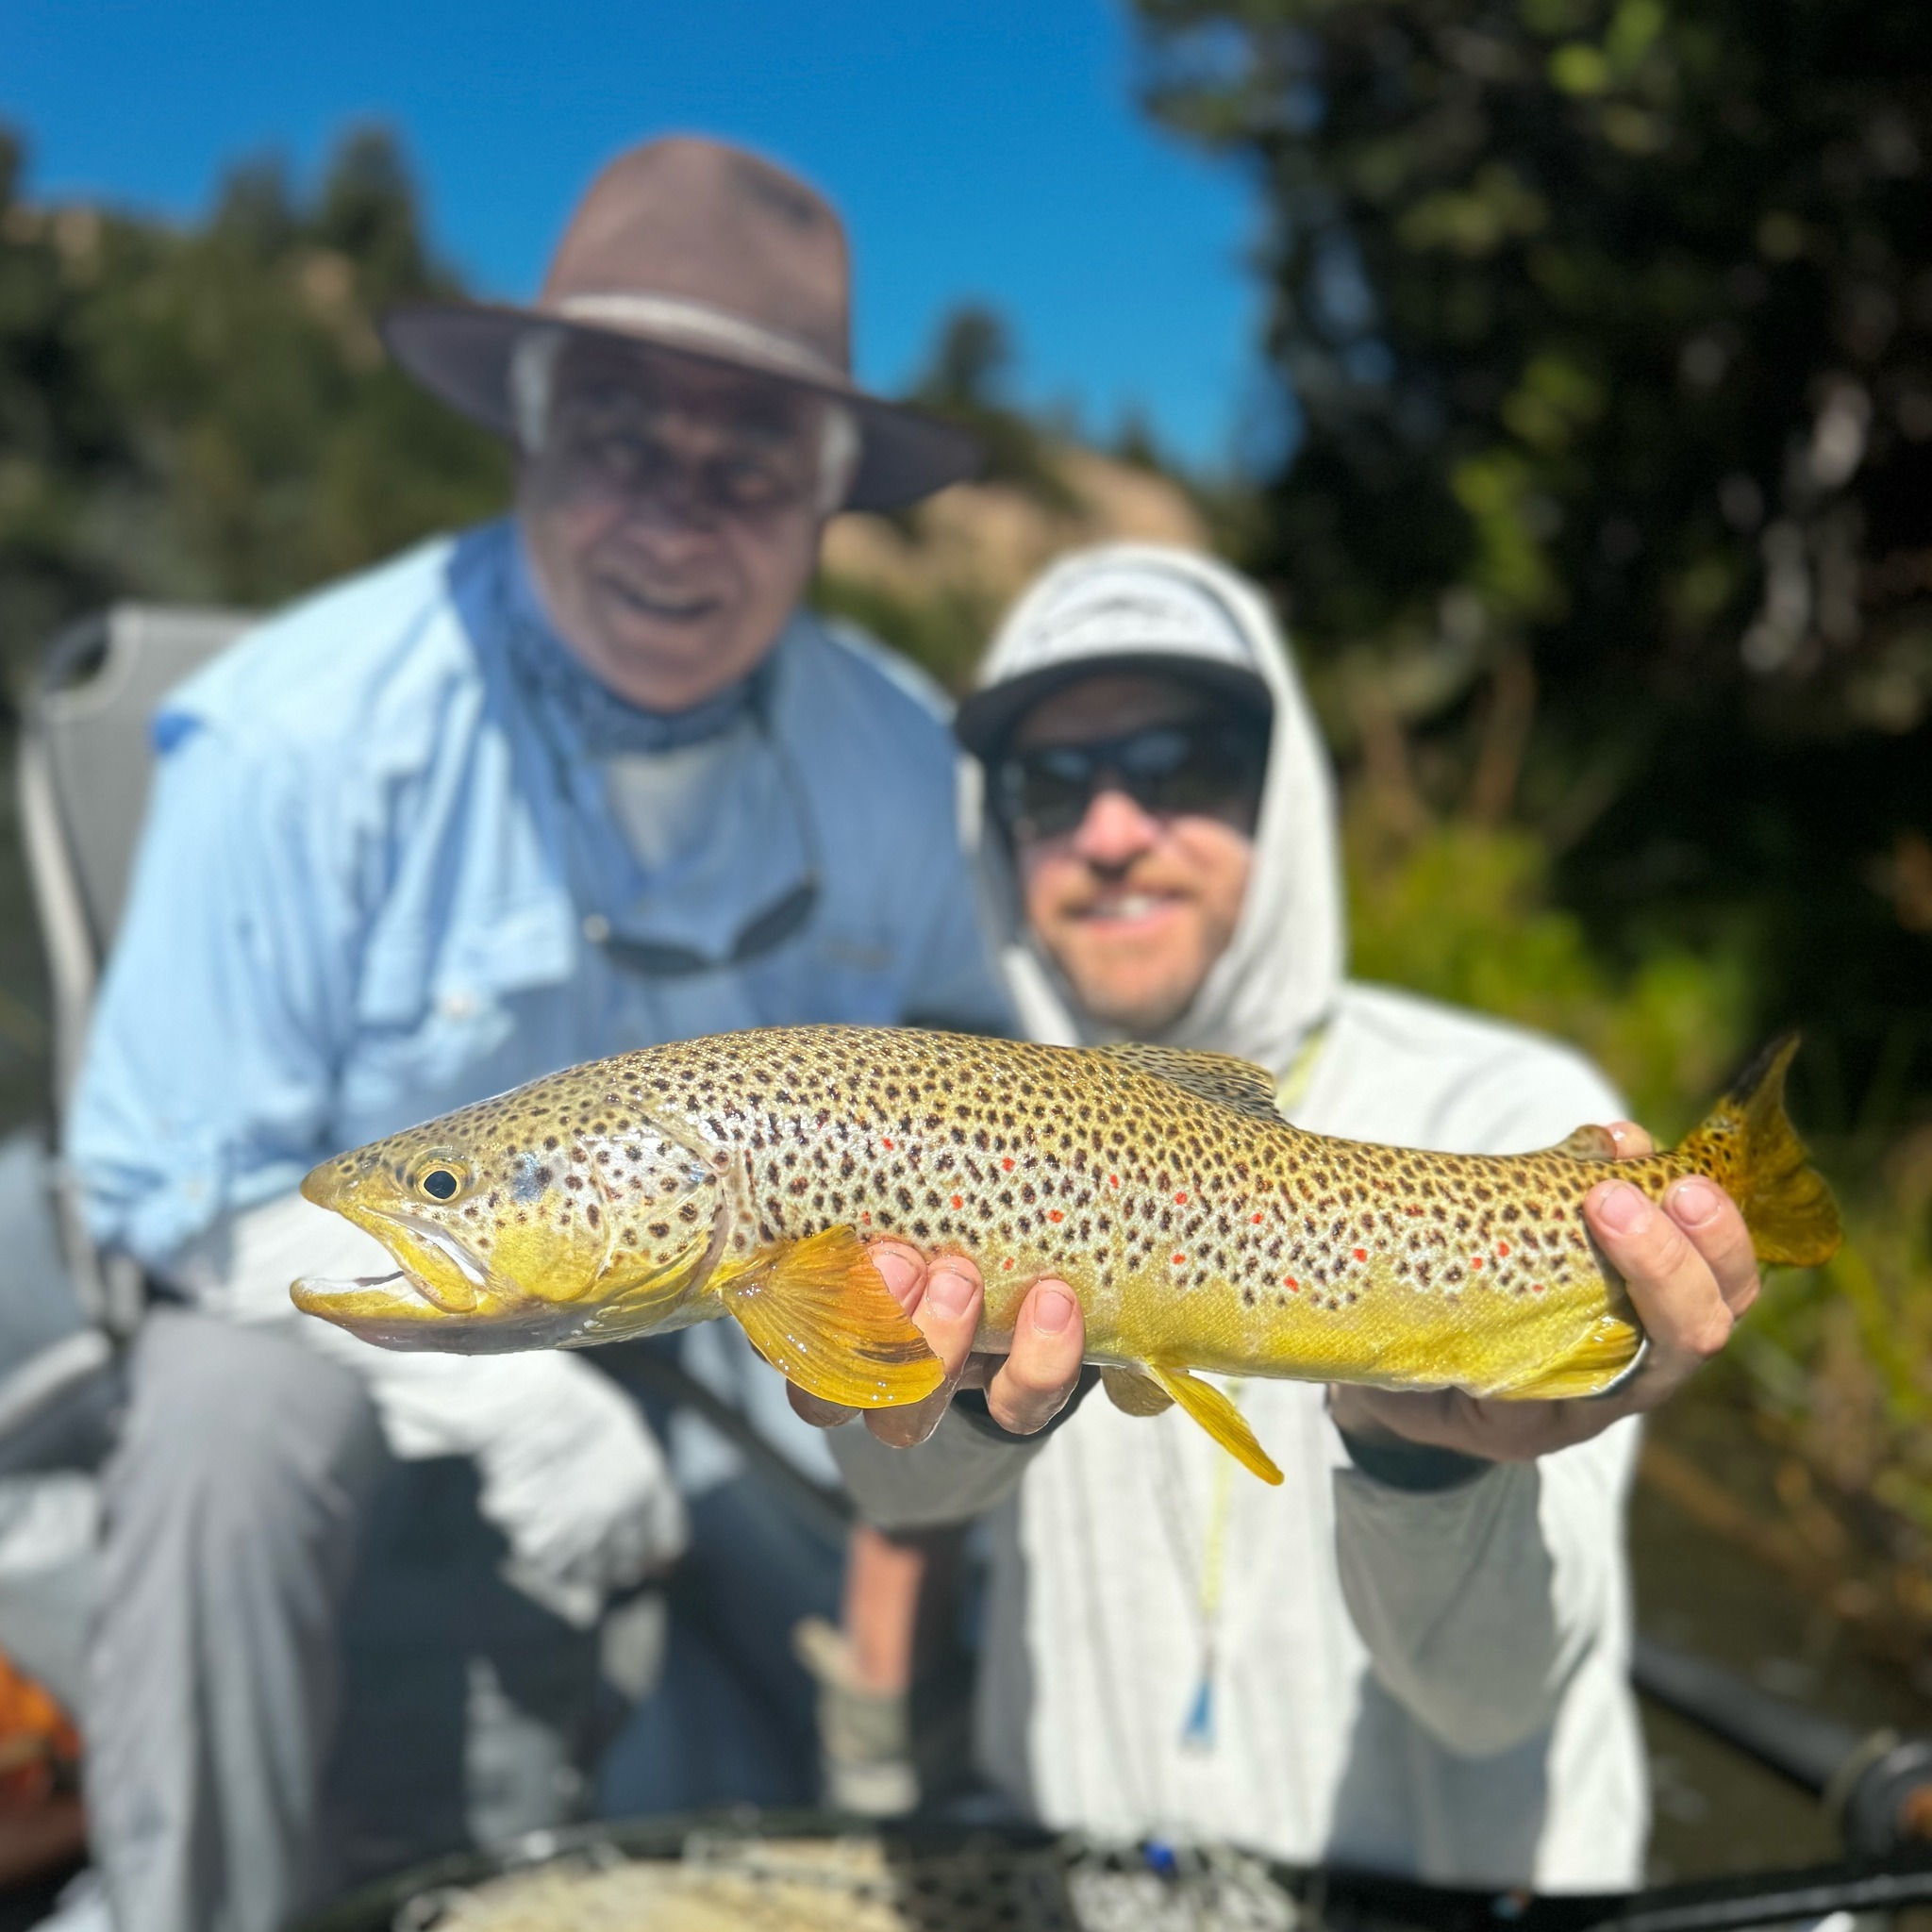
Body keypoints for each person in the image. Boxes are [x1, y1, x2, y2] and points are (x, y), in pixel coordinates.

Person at [60, 137, 1006, 1932]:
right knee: (211, 1422)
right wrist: (512, 1408)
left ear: (828, 498)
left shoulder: (905, 762)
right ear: (527, 437)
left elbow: (992, 1075)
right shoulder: (300, 738)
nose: (676, 515)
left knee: (1016, 1363)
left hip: (752, 1343)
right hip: (362, 1341)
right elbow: (162, 1194)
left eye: (748, 466)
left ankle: (913, 1802)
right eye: (623, 441)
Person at [803, 544, 1763, 1889]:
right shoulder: (936, 1120)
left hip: (1446, 1892)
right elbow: (888, 1486)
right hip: (1088, 1889)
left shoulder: (1510, 1110)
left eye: (1182, 765)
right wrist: (955, 1404)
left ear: (1286, 794)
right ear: (996, 828)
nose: (1114, 830)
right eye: (1049, 784)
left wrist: (1421, 1458)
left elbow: (1494, 1703)